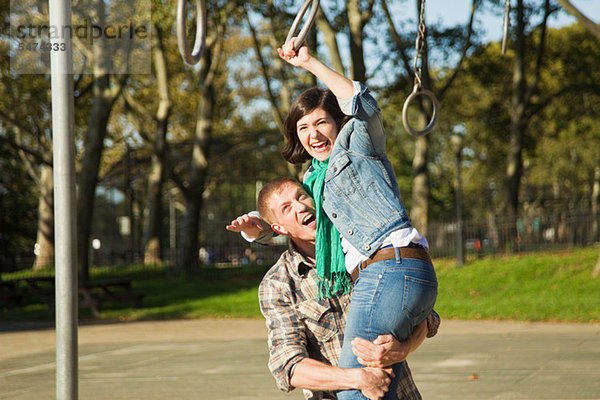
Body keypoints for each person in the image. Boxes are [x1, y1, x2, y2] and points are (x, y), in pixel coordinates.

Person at [268, 39, 438, 400]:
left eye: (321, 122)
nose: (313, 134)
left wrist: (311, 63)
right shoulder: (316, 182)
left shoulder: (356, 144)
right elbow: (299, 217)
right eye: (302, 128)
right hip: (397, 272)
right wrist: (257, 228)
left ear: (338, 123)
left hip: (388, 266)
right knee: (371, 386)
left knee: (356, 391)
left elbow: (363, 105)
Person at [226, 177, 440, 399]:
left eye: (301, 196)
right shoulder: (279, 283)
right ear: (278, 228)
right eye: (287, 208)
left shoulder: (362, 251)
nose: (300, 206)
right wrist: (356, 378)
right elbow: (288, 366)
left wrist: (403, 348)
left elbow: (425, 318)